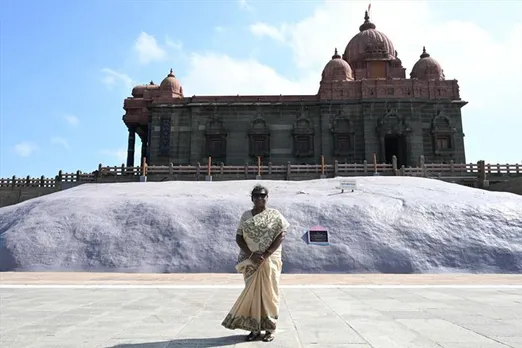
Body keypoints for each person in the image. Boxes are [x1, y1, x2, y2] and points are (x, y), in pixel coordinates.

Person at [221, 184, 290, 342]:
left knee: (269, 294)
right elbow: (239, 237)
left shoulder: (275, 214)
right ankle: (255, 328)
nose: (260, 198)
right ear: (252, 198)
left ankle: (270, 329)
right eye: (257, 195)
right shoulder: (246, 215)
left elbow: (281, 234)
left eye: (263, 195)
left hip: (270, 259)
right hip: (251, 260)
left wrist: (266, 254)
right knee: (252, 294)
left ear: (267, 198)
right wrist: (251, 254)